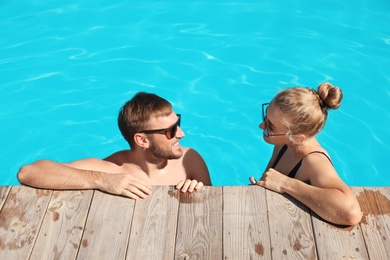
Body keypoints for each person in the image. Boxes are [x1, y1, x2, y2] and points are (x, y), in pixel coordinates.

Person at [18, 92, 211, 199]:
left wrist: (197, 192)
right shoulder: (111, 170)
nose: (181, 134)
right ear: (142, 140)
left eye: (178, 122)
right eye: (171, 130)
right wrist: (101, 180)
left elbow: (213, 208)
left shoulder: (190, 159)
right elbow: (28, 173)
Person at [249, 82, 362, 226]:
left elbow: (351, 213)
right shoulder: (283, 144)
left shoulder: (313, 161)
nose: (262, 126)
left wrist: (285, 183)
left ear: (297, 137)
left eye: (271, 126)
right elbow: (269, 180)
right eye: (266, 116)